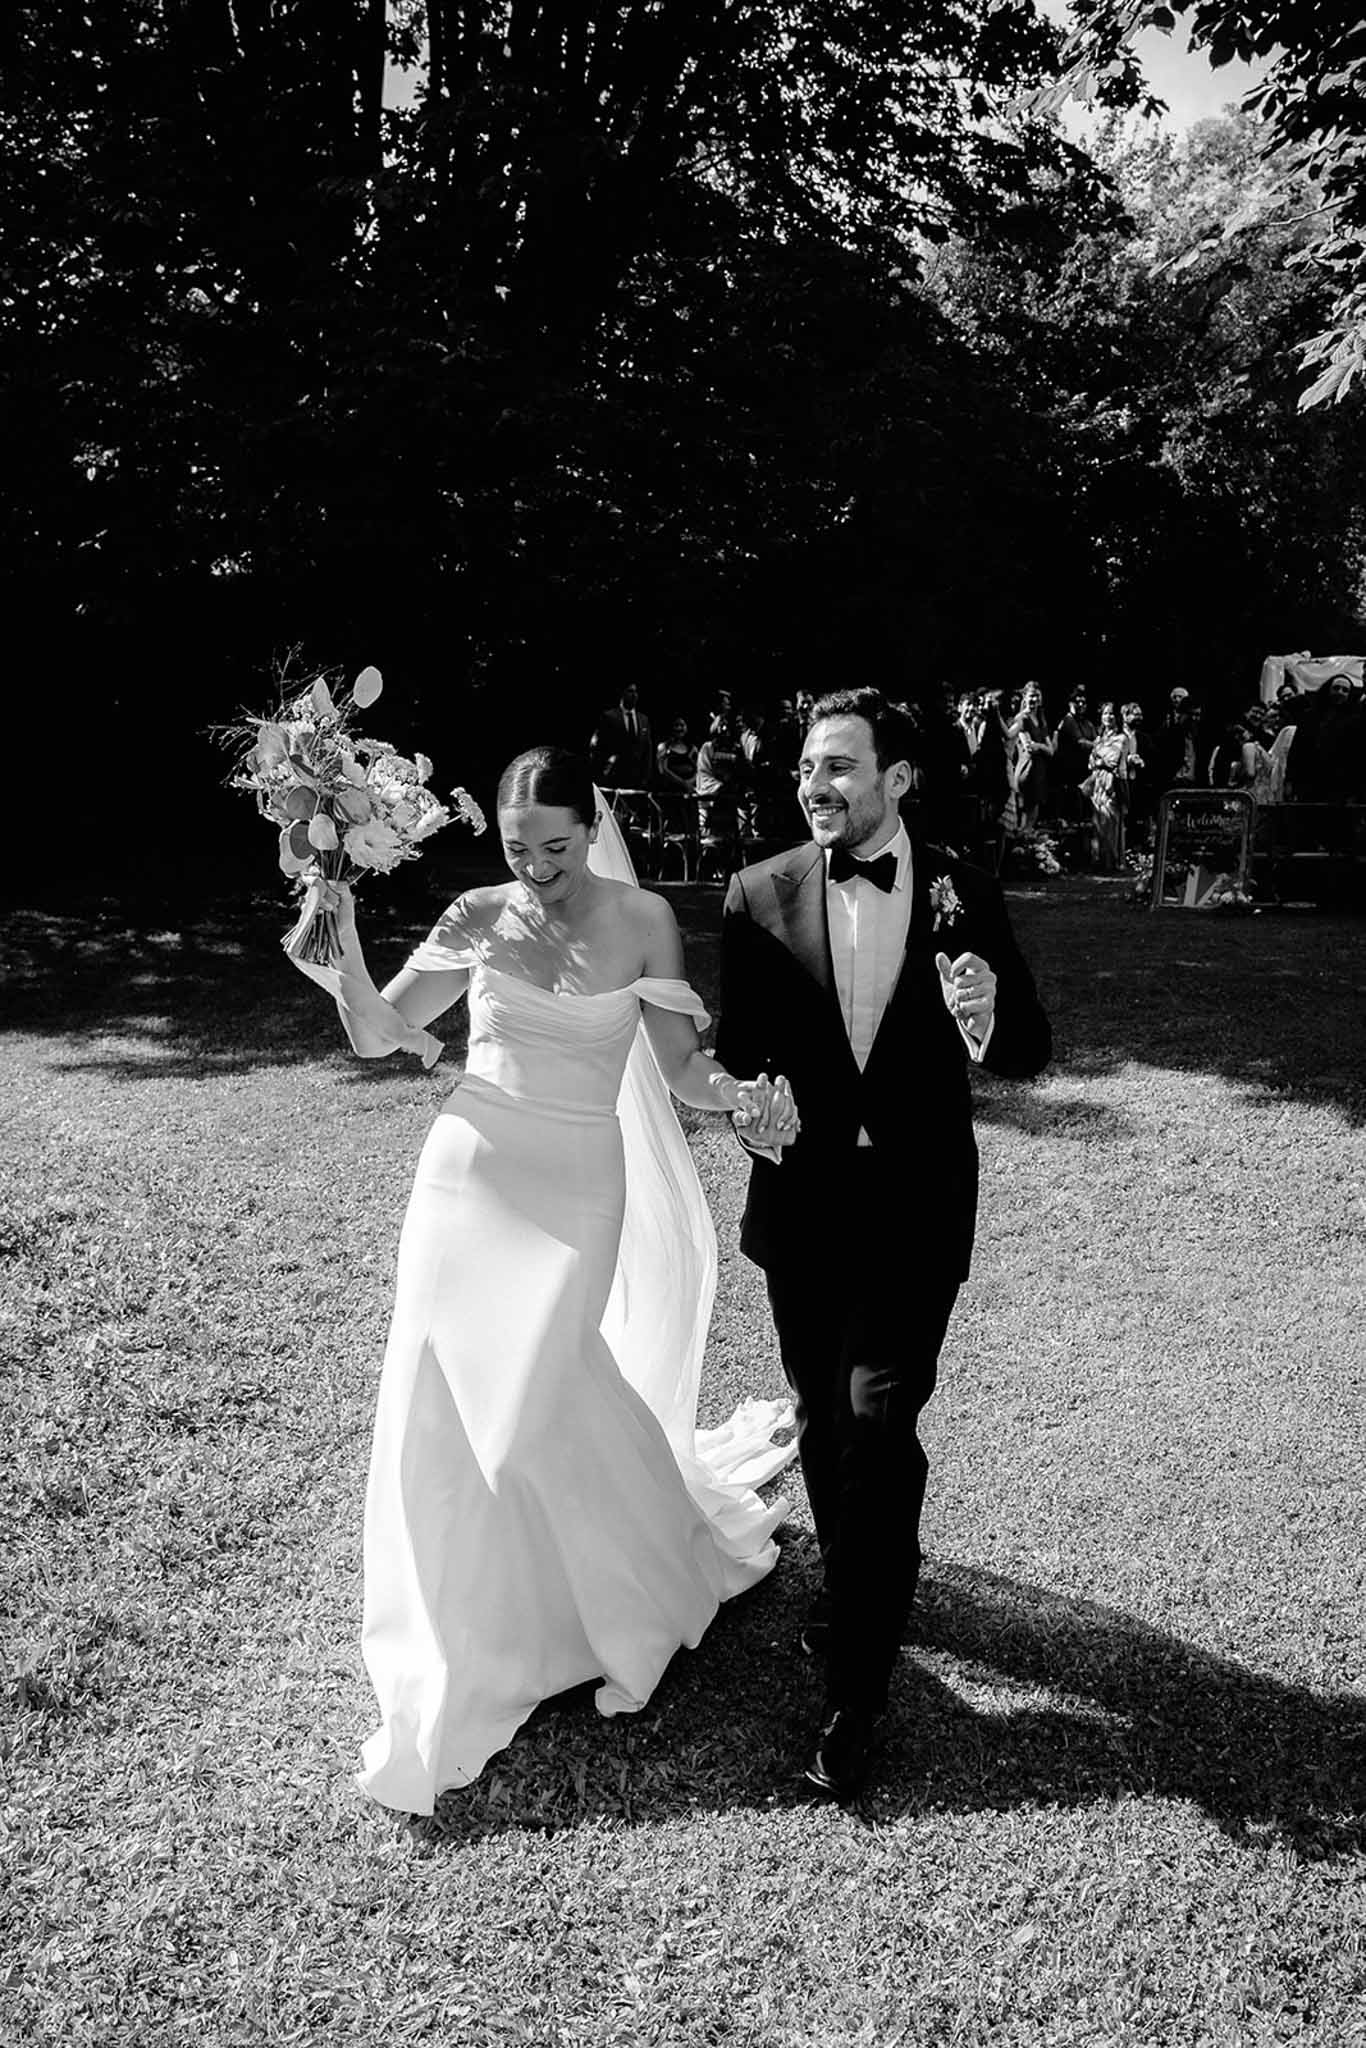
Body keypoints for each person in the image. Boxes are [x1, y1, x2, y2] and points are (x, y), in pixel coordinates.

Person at [287, 747, 800, 1814]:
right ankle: (468, 1631)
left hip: (577, 1182)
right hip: (469, 1172)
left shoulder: (644, 920)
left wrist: (742, 1094)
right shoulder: (478, 914)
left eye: (556, 847)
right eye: (519, 849)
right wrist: (339, 950)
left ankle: (611, 1592)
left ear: (592, 829)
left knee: (530, 1409)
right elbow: (381, 1034)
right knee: (441, 1404)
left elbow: (678, 1066)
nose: (537, 868)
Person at [715, 689, 1051, 1801]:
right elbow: (740, 1057)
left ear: (896, 779)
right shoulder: (755, 893)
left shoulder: (962, 889)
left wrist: (986, 1013)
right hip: (804, 1206)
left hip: (914, 1208)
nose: (816, 785)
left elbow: (1026, 1052)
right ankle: (856, 1583)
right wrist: (749, 1110)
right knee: (823, 1421)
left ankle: (857, 1686)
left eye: (840, 767)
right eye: (808, 766)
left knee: (876, 1418)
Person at [1081, 701, 1132, 870]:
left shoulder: (1122, 738)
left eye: (1111, 713)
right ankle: (1099, 860)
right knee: (1098, 821)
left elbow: (1113, 760)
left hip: (1113, 783)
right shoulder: (1099, 738)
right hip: (1097, 782)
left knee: (1112, 821)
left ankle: (1113, 860)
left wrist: (1099, 759)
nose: (1108, 717)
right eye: (1105, 713)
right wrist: (1097, 760)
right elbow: (1090, 762)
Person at [1004, 681, 1055, 831]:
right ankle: (1022, 841)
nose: (1034, 699)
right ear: (1025, 697)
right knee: (1025, 814)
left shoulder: (1040, 719)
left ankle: (1028, 840)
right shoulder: (1022, 718)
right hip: (1027, 769)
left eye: (1037, 696)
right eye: (1032, 696)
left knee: (1034, 813)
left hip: (1039, 769)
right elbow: (1028, 747)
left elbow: (1051, 750)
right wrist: (1042, 747)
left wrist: (1040, 746)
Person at [590, 685, 654, 789]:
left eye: (636, 692)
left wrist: (646, 776)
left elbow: (647, 750)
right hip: (614, 776)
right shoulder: (609, 717)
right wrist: (602, 774)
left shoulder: (644, 720)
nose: (634, 695)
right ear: (622, 693)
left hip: (637, 778)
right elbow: (600, 749)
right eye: (630, 691)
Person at [655, 714, 699, 792]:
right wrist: (683, 783)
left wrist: (690, 783)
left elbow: (699, 770)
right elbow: (662, 770)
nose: (679, 728)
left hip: (689, 791)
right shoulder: (663, 747)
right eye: (676, 725)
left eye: (682, 725)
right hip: (670, 791)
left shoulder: (693, 749)